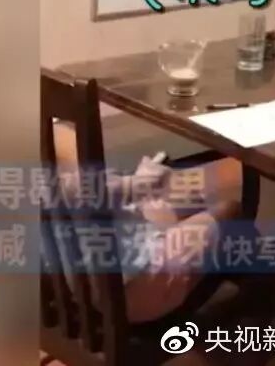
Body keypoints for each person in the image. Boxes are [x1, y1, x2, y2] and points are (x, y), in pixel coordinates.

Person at [50, 121, 242, 323]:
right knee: (231, 209)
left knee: (179, 198)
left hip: (79, 289)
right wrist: (144, 178)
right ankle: (241, 289)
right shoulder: (78, 174)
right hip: (133, 295)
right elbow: (113, 189)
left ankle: (200, 255)